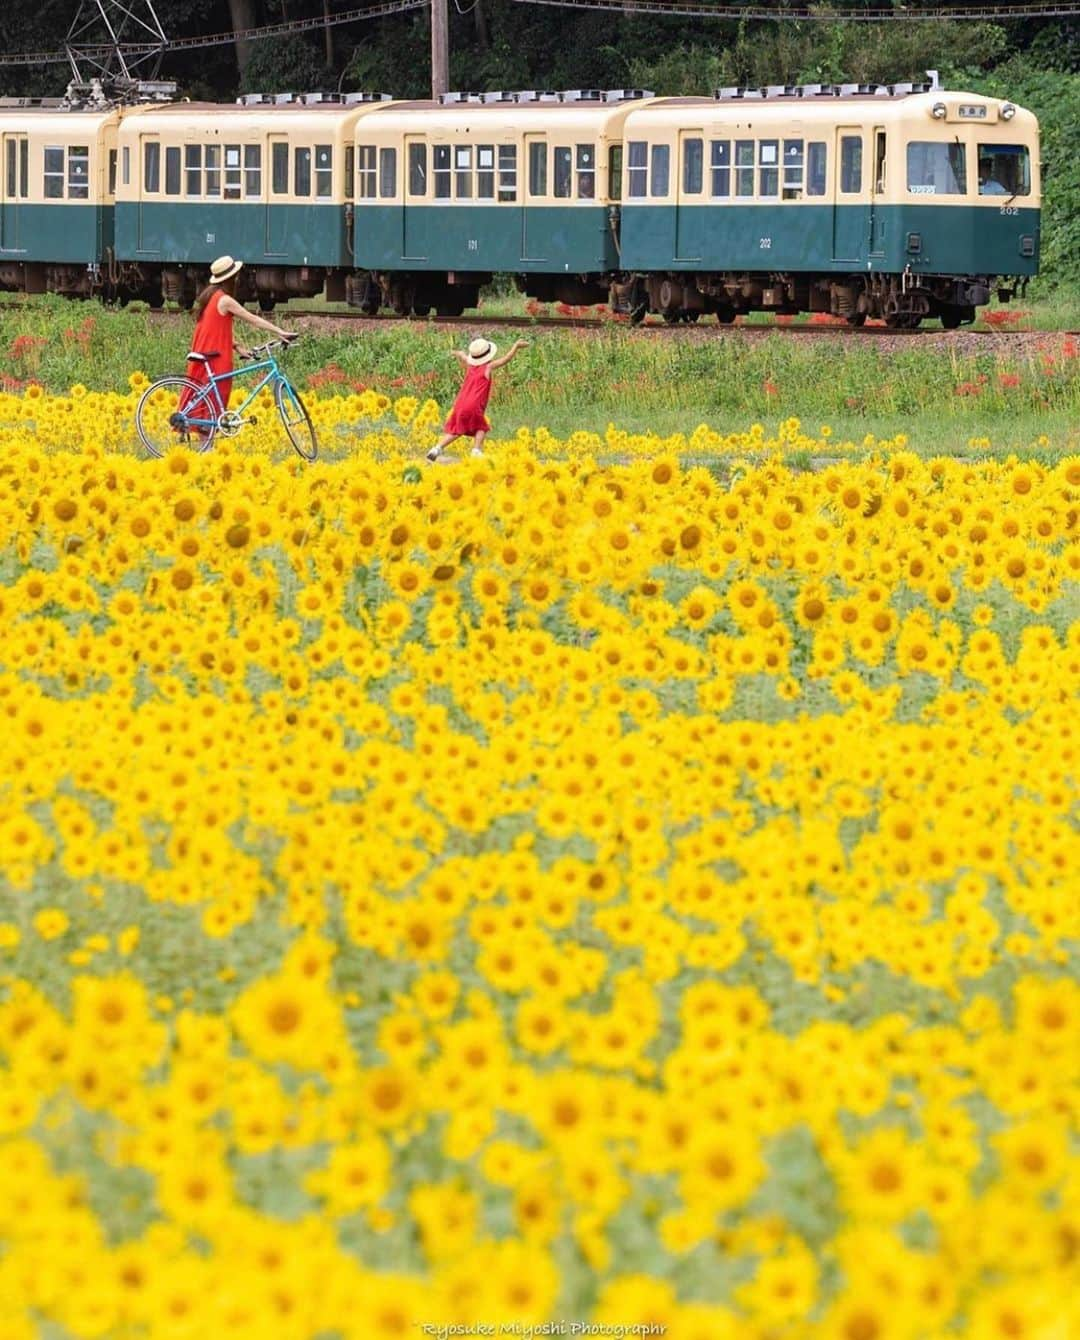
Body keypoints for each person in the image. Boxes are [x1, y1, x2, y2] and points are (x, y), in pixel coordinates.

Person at [178, 256, 296, 421]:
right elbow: (252, 318)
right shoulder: (225, 300)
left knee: (209, 396)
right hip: (217, 355)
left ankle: (206, 438)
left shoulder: (210, 297)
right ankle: (206, 436)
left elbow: (213, 329)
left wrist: (237, 346)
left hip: (207, 349)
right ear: (232, 278)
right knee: (216, 398)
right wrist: (280, 332)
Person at [426, 336, 528, 462]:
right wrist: (516, 347)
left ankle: (436, 449)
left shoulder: (470, 365)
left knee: (457, 430)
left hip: (460, 404)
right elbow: (505, 359)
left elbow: (464, 356)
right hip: (473, 405)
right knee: (482, 427)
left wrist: (457, 353)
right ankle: (476, 450)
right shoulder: (488, 367)